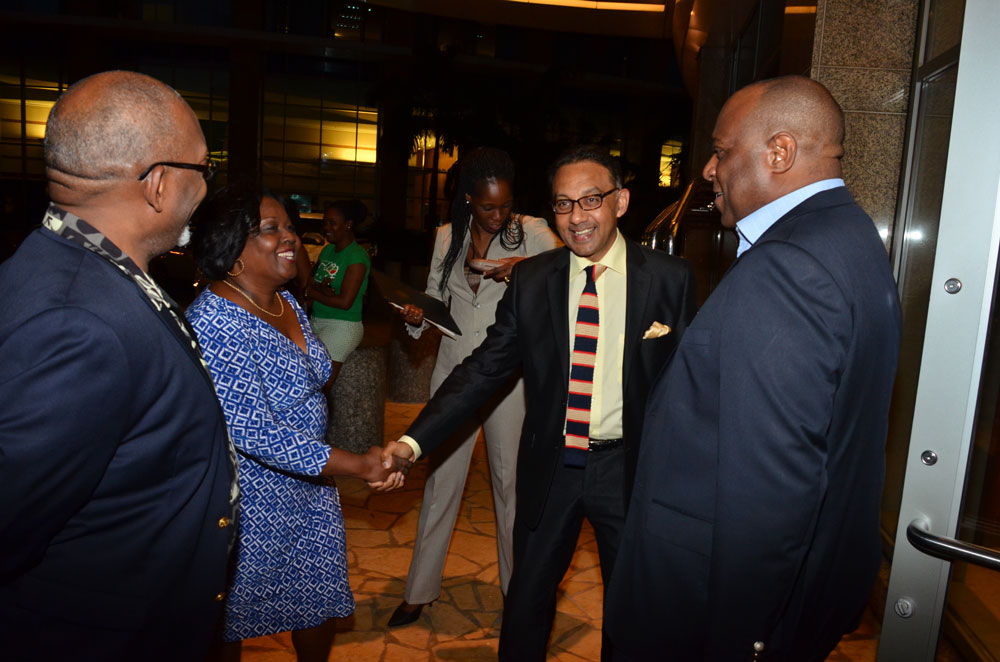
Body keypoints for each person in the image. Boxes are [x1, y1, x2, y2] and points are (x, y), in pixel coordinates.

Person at [605, 76, 903, 662]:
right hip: (809, 588)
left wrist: (744, 639)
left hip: (714, 614)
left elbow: (771, 489)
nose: (709, 170)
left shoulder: (788, 268)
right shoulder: (851, 235)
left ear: (780, 152)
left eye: (721, 151)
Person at [378, 145, 697, 660]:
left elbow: (689, 386)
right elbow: (483, 369)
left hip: (627, 469)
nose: (577, 217)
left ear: (620, 202)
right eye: (564, 204)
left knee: (629, 613)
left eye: (591, 199)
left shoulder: (670, 279)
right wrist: (413, 442)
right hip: (553, 467)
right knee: (526, 604)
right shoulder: (533, 280)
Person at [0, 71, 238, 660]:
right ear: (158, 184)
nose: (205, 187)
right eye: (202, 167)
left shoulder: (68, 262)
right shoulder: (79, 324)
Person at [186, 185, 407, 662]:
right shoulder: (215, 320)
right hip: (249, 502)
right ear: (232, 247)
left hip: (309, 489)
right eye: (272, 229)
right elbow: (257, 432)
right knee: (231, 618)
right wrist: (359, 464)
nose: (290, 237)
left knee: (317, 601)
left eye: (289, 226)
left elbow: (314, 375)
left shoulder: (283, 301)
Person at [388, 147, 562, 627]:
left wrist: (523, 266)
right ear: (468, 199)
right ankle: (419, 590)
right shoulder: (447, 236)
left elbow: (569, 269)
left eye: (504, 205)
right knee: (440, 482)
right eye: (487, 206)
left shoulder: (532, 231)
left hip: (509, 377)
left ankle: (515, 593)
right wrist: (417, 317)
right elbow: (435, 297)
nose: (498, 215)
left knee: (510, 486)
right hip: (454, 371)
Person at [308, 199, 371, 384]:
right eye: (325, 222)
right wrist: (321, 291)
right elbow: (310, 281)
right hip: (316, 321)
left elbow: (344, 302)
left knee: (320, 384)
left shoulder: (357, 256)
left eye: (332, 223)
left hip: (342, 326)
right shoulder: (327, 251)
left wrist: (315, 293)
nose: (326, 227)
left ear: (348, 225)